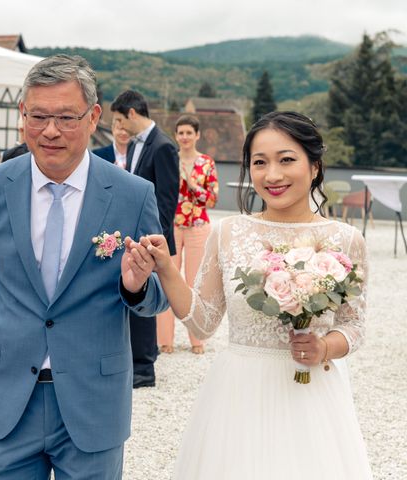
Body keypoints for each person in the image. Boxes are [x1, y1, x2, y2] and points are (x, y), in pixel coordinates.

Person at [0, 54, 168, 480]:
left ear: (93, 117)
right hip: (10, 393)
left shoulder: (131, 194)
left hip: (93, 397)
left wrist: (135, 286)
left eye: (67, 117)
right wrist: (12, 316)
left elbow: (157, 295)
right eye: (40, 116)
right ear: (23, 114)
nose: (51, 131)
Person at [137, 111, 373, 479]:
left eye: (287, 160)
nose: (272, 175)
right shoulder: (228, 233)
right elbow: (204, 320)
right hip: (239, 393)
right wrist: (167, 269)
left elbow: (354, 325)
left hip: (313, 396)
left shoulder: (345, 240)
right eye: (259, 163)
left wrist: (325, 348)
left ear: (315, 166)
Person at [111, 89, 179, 388]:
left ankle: (144, 367)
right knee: (135, 298)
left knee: (147, 302)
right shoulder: (138, 144)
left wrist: (156, 245)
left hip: (151, 240)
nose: (119, 127)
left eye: (119, 120)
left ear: (132, 114)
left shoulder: (162, 146)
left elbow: (166, 199)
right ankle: (139, 361)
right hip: (135, 238)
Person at [156, 114, 218, 355]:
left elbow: (212, 199)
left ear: (197, 135)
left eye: (189, 133)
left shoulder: (206, 162)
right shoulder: (169, 159)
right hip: (171, 225)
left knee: (195, 283)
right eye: (180, 132)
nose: (184, 137)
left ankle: (197, 339)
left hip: (198, 226)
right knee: (166, 280)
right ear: (176, 135)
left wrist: (194, 187)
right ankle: (164, 340)